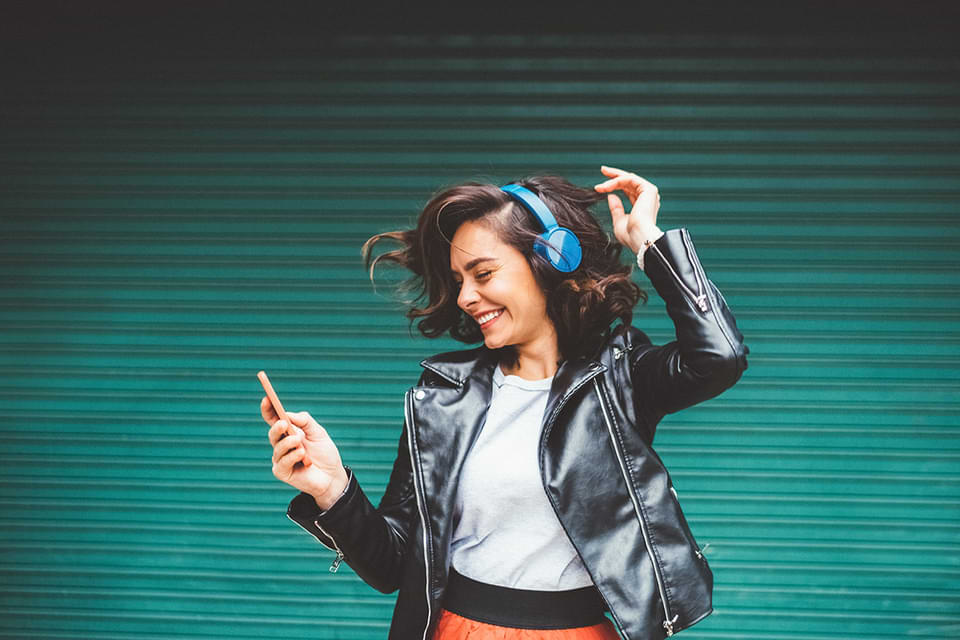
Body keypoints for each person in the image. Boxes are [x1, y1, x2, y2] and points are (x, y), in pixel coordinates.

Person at [261, 166, 750, 640]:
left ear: (550, 261)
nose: (466, 297)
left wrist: (649, 242)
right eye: (458, 282)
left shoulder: (620, 376)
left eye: (483, 273)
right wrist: (330, 488)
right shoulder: (443, 397)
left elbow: (719, 357)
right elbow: (393, 565)